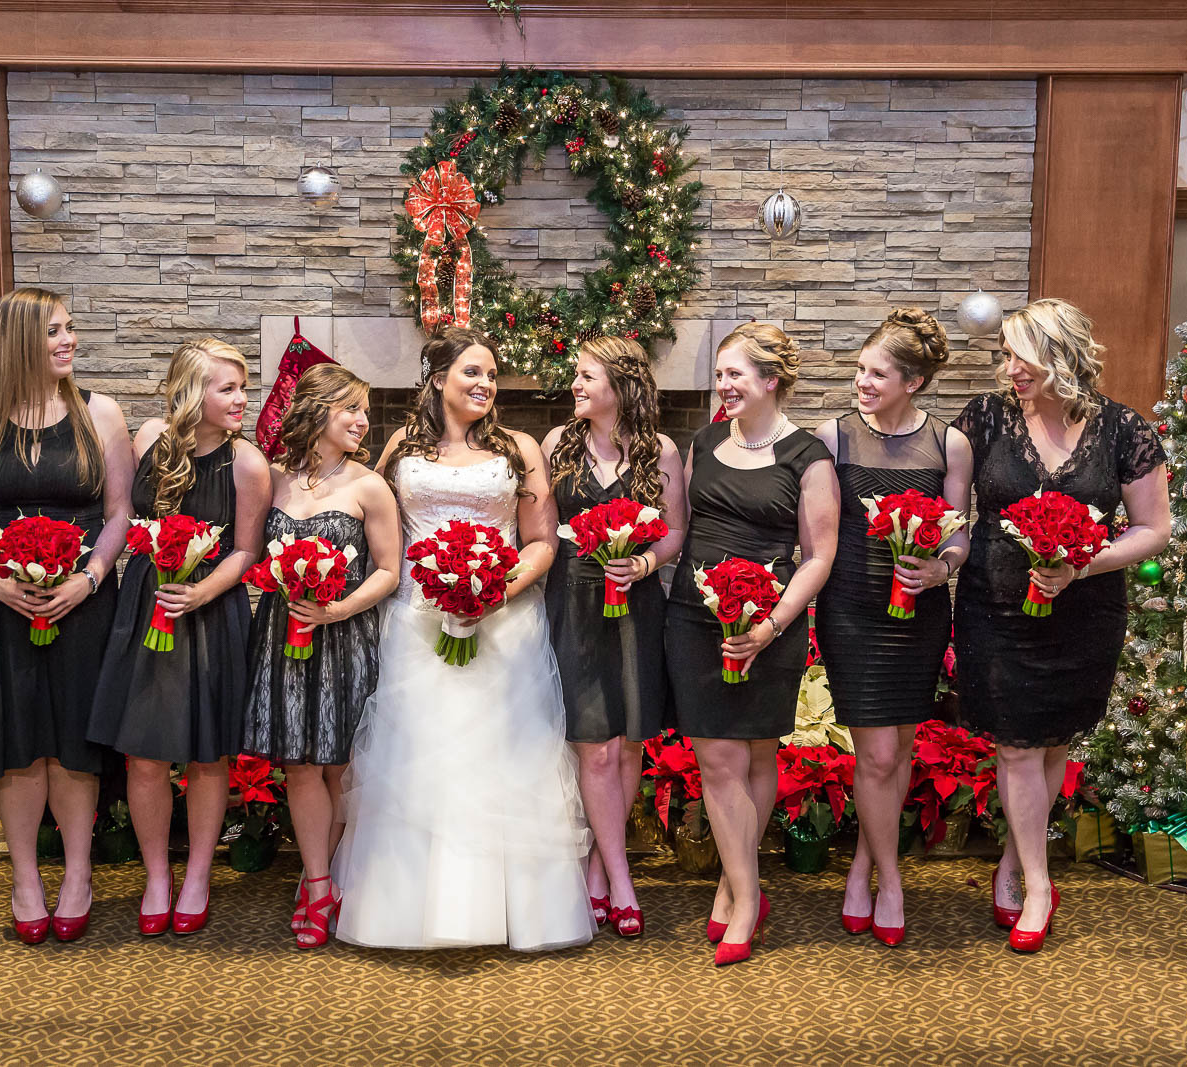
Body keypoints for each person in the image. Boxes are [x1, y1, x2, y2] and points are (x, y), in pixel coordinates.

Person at [332, 327, 594, 952]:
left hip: (504, 625)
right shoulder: (400, 444)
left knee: (506, 761)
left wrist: (490, 592)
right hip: (417, 621)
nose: (485, 385)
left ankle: (516, 910)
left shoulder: (519, 448)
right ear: (439, 376)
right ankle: (404, 909)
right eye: (472, 372)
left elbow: (541, 541)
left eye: (492, 376)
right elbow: (370, 518)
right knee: (418, 758)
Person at [952, 298, 1169, 952]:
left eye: (1024, 354)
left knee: (1050, 745)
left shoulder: (1124, 430)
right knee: (1016, 744)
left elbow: (1155, 529)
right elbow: (953, 510)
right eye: (1007, 354)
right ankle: (1040, 885)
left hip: (1084, 613)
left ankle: (1015, 863)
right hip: (995, 608)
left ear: (1061, 354)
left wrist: (1081, 562)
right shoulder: (983, 420)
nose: (1011, 367)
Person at [0, 288, 133, 944]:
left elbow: (121, 513)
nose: (69, 340)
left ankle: (78, 874)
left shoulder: (102, 414)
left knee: (72, 741)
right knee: (15, 744)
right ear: (19, 340)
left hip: (82, 600)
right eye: (54, 331)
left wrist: (90, 578)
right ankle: (25, 878)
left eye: (70, 327)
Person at [664, 321, 839, 966]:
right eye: (720, 373)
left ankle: (733, 887)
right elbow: (679, 528)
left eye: (735, 374)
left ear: (771, 381)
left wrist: (770, 626)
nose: (723, 384)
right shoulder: (703, 442)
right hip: (694, 616)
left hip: (773, 619)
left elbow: (820, 555)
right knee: (717, 758)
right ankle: (746, 893)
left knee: (759, 755)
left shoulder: (808, 457)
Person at [87, 338, 270, 937]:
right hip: (145, 607)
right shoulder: (147, 441)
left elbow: (246, 549)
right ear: (193, 392)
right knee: (144, 754)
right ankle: (157, 874)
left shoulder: (247, 463)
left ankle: (197, 875)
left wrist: (199, 593)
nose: (242, 399)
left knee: (207, 754)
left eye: (243, 387)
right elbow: (123, 517)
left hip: (209, 613)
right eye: (228, 388)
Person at [814, 309, 972, 947]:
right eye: (860, 370)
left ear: (914, 381)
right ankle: (890, 877)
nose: (863, 382)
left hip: (921, 613)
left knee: (899, 749)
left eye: (877, 373)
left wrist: (941, 567)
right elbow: (820, 534)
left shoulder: (948, 445)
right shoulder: (835, 438)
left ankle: (861, 865)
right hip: (852, 609)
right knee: (878, 752)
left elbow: (960, 534)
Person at [240, 364, 400, 949]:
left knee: (341, 765)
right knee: (300, 764)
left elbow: (389, 570)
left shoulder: (368, 486)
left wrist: (337, 610)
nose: (363, 421)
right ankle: (318, 882)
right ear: (316, 412)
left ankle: (339, 876)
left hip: (345, 635)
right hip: (283, 636)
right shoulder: (273, 479)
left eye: (365, 409)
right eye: (351, 409)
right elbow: (249, 552)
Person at [540, 337, 686, 939]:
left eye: (585, 376)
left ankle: (600, 864)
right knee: (594, 744)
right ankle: (622, 878)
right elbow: (544, 532)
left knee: (629, 744)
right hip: (572, 601)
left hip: (638, 604)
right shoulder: (557, 446)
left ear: (620, 386)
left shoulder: (662, 450)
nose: (575, 385)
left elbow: (674, 531)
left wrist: (644, 565)